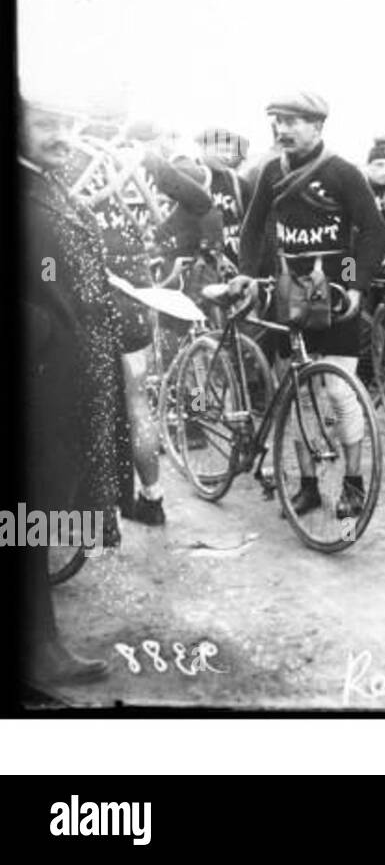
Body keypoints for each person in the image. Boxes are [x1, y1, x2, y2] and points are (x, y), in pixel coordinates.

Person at [231, 90, 385, 518]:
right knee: (297, 393)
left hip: (336, 298)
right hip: (289, 295)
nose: (282, 129)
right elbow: (251, 228)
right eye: (277, 121)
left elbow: (369, 233)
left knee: (338, 390)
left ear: (317, 127)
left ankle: (353, 483)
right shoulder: (269, 172)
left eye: (292, 121)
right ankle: (308, 485)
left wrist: (355, 285)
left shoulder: (343, 173)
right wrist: (247, 270)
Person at [21, 100, 135, 685]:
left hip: (69, 373)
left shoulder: (47, 184)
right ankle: (38, 645)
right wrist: (42, 327)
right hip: (42, 376)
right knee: (26, 514)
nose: (62, 136)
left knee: (39, 511)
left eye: (67, 125)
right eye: (46, 125)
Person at [67, 118, 215, 527]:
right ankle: (152, 498)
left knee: (81, 400)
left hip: (80, 293)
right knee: (136, 404)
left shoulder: (67, 155)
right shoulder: (143, 158)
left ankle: (93, 515)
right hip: (134, 293)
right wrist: (155, 234)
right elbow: (201, 202)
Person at [197, 127, 254, 268]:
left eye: (229, 151)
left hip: (236, 262)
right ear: (203, 149)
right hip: (204, 265)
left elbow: (254, 227)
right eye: (220, 150)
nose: (227, 156)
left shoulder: (238, 183)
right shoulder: (192, 179)